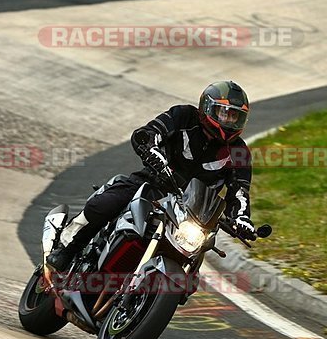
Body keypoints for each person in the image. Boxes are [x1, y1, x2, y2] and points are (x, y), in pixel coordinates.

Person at [47, 80, 256, 272]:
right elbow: (148, 133)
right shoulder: (183, 116)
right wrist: (152, 149)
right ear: (207, 108)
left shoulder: (239, 152)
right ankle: (69, 249)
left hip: (192, 213)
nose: (228, 120)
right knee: (107, 204)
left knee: (193, 268)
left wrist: (242, 218)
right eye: (223, 113)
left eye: (234, 116)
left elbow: (239, 191)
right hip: (154, 184)